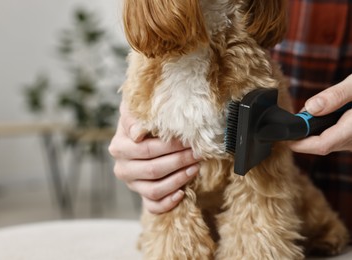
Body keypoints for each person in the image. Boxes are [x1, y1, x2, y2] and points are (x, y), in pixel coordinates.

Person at [109, 0, 352, 234]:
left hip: (325, 190)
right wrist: (143, 152)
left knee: (263, 172)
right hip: (198, 206)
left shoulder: (251, 63)